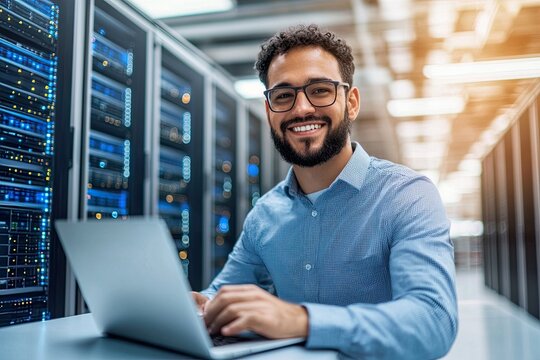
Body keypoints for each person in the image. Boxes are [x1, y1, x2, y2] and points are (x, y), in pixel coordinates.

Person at [192, 24, 458, 359]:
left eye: (319, 90)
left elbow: (432, 321)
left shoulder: (406, 196)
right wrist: (195, 307)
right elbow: (221, 296)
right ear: (269, 111)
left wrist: (302, 320)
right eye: (283, 95)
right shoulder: (265, 215)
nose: (301, 109)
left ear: (351, 102)